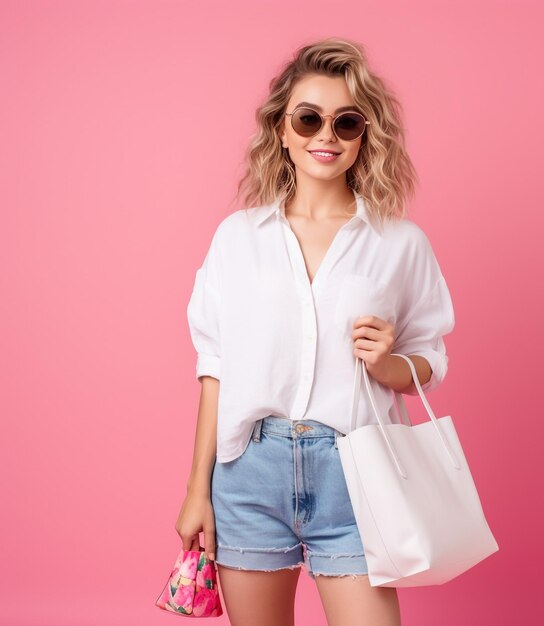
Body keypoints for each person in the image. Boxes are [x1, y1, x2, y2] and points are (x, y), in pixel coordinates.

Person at [175, 37, 455, 626]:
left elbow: (429, 356)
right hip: (249, 473)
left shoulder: (399, 243)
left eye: (345, 121)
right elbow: (215, 366)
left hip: (356, 476)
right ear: (281, 129)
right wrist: (197, 488)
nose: (325, 135)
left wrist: (388, 365)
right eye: (308, 118)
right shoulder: (237, 238)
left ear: (363, 136)